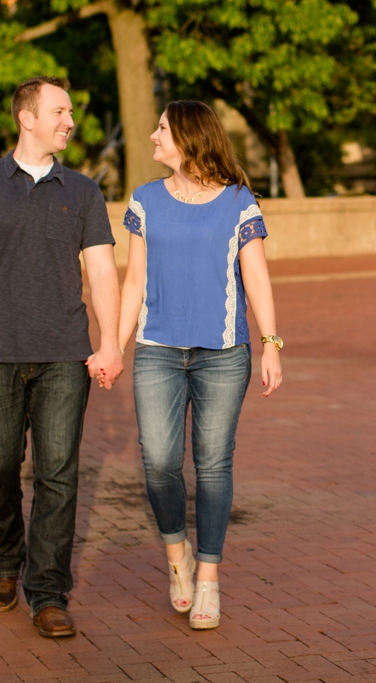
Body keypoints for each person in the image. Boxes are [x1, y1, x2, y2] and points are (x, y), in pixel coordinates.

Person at [0, 76, 123, 639]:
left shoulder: (84, 191)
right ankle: (2, 565)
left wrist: (110, 341)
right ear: (27, 118)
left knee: (58, 474)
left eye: (70, 111)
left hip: (65, 352)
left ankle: (48, 591)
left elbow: (103, 270)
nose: (70, 121)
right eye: (60, 111)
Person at [118, 100, 283, 630]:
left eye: (162, 128)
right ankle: (178, 557)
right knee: (160, 463)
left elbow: (254, 275)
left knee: (213, 465)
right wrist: (113, 347)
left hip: (222, 354)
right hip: (157, 351)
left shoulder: (239, 202)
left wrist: (271, 343)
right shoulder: (144, 201)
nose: (152, 135)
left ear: (189, 137)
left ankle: (208, 578)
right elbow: (133, 281)